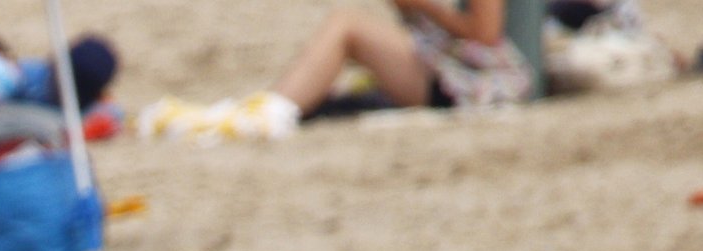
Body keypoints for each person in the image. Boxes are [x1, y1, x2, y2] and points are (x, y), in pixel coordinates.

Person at [151, 0, 529, 141]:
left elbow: (484, 32)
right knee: (345, 27)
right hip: (444, 67)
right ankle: (276, 104)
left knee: (346, 25)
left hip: (476, 79)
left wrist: (426, 6)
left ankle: (274, 108)